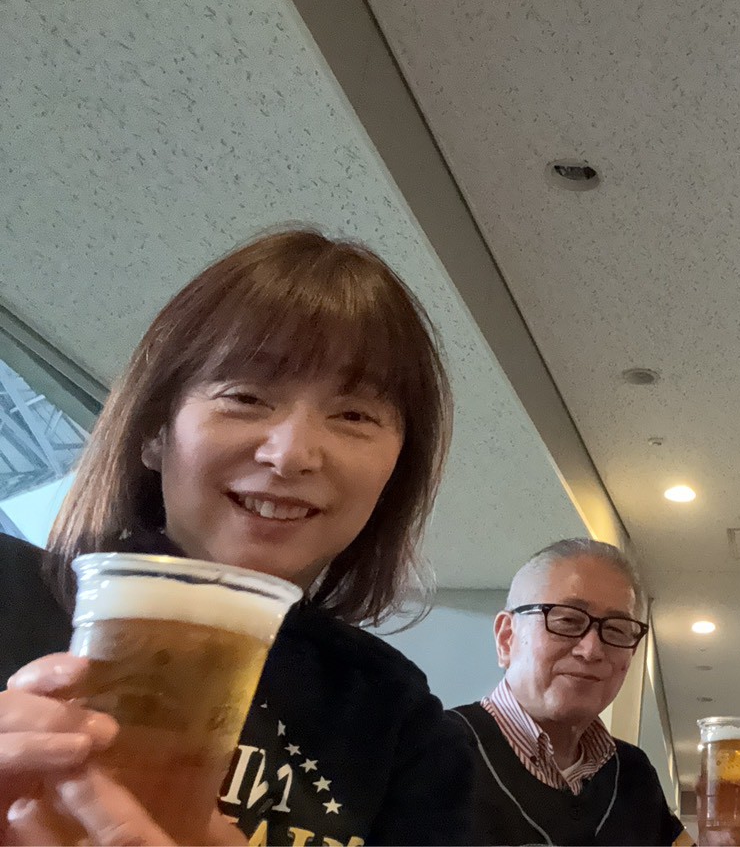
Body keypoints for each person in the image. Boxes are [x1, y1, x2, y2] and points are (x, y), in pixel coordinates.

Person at [0, 229, 474, 845]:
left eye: (354, 415)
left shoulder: (400, 725)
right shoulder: (10, 591)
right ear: (154, 433)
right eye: (245, 397)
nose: (292, 454)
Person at [454, 538, 740, 846]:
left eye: (617, 630)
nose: (591, 649)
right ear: (506, 637)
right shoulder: (435, 751)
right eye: (567, 620)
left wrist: (717, 843)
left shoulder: (633, 773)